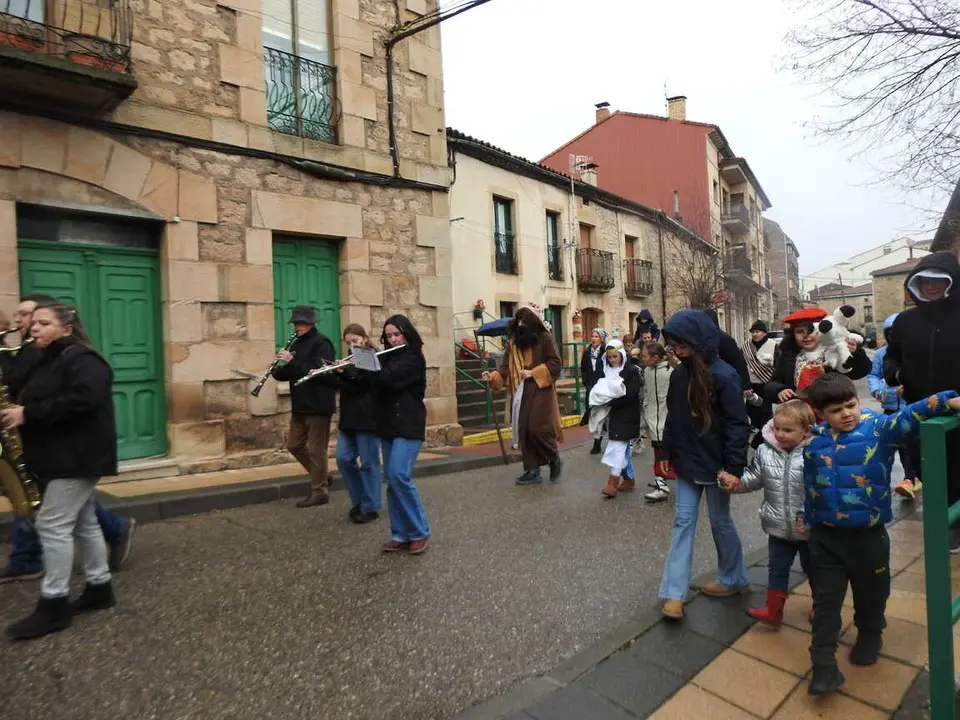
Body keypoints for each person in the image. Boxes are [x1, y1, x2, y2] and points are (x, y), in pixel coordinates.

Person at [801, 373, 960, 695]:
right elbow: (805, 480)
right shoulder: (814, 440)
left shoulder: (877, 430)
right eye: (836, 410)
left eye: (850, 405)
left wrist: (945, 400)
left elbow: (909, 414)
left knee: (871, 594)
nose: (846, 413)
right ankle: (823, 665)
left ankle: (870, 634)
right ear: (820, 413)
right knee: (826, 603)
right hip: (824, 538)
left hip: (867, 537)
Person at [3, 304, 120, 640]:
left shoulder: (83, 359)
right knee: (84, 522)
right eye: (32, 323)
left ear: (66, 328)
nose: (33, 328)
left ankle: (53, 603)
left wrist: (29, 414)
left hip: (78, 456)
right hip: (60, 456)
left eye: (43, 323)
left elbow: (85, 399)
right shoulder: (45, 360)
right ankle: (99, 587)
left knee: (52, 524)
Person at [657, 310, 751, 620]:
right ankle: (674, 593)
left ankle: (734, 577)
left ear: (696, 339)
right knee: (683, 522)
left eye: (679, 341)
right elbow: (674, 416)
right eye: (671, 342)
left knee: (719, 521)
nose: (674, 347)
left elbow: (738, 424)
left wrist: (734, 468)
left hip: (716, 464)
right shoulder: (679, 374)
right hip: (687, 461)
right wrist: (666, 452)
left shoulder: (724, 376)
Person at [885, 251, 960, 550]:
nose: (931, 287)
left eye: (938, 281)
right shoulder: (906, 320)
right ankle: (946, 520)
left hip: (957, 411)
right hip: (920, 411)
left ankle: (955, 527)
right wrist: (897, 374)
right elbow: (892, 356)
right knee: (929, 469)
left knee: (957, 468)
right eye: (924, 281)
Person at [720, 400, 817, 627]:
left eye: (788, 430)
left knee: (815, 569)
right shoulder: (765, 451)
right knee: (777, 568)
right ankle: (773, 610)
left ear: (806, 430)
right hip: (777, 525)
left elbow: (822, 488)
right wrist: (736, 483)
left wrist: (813, 515)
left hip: (809, 528)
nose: (781, 434)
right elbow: (754, 477)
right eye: (777, 428)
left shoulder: (815, 453)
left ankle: (821, 605)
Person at [482, 307, 564, 485]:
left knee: (537, 427)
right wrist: (493, 376)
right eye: (518, 321)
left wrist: (533, 372)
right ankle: (532, 470)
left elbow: (555, 364)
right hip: (520, 390)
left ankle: (554, 457)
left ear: (532, 323)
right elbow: (505, 367)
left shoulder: (545, 338)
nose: (520, 325)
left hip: (541, 389)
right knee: (524, 429)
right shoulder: (513, 343)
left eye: (524, 321)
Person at [373, 315, 431, 554]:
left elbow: (389, 380)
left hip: (408, 425)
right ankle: (400, 533)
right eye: (389, 336)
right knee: (392, 482)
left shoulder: (413, 359)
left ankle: (419, 531)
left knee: (399, 476)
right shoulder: (385, 358)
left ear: (407, 334)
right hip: (388, 425)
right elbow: (366, 386)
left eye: (397, 334)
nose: (393, 339)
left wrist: (366, 363)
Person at [272, 305, 337, 508]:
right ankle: (322, 476)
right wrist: (276, 371)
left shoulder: (322, 343)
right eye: (295, 323)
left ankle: (320, 492)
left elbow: (315, 372)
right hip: (300, 403)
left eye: (300, 323)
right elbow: (293, 372)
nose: (297, 327)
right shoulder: (297, 343)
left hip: (318, 404)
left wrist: (292, 359)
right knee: (294, 445)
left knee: (317, 449)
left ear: (310, 324)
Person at [763, 307, 871, 408]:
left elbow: (860, 372)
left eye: (810, 331)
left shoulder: (835, 351)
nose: (805, 336)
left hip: (832, 410)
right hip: (800, 414)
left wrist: (856, 353)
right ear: (793, 335)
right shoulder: (788, 355)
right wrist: (779, 390)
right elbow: (772, 384)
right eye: (800, 332)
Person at [333, 324, 382, 524]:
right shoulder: (350, 359)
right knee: (343, 459)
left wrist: (346, 372)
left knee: (369, 464)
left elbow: (365, 383)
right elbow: (347, 387)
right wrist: (334, 373)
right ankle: (359, 499)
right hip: (349, 419)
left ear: (364, 338)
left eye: (355, 340)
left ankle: (370, 507)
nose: (352, 344)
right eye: (348, 342)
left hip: (368, 418)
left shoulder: (373, 357)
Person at [869, 313, 920, 499]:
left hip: (912, 406)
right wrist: (884, 392)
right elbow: (873, 375)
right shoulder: (881, 354)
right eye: (890, 334)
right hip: (890, 407)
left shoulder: (916, 351)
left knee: (909, 444)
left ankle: (910, 478)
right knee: (893, 444)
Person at [587, 340, 641, 498]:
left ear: (622, 355)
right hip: (610, 414)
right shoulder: (603, 371)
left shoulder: (631, 371)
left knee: (616, 446)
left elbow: (632, 394)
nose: (612, 360)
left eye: (615, 356)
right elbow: (595, 387)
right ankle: (629, 479)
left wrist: (612, 401)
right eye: (609, 357)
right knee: (622, 448)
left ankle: (612, 483)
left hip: (627, 414)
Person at [642, 341, 674, 502]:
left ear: (655, 357)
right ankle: (660, 482)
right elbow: (647, 393)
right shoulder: (647, 371)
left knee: (669, 453)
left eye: (645, 356)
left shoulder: (671, 371)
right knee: (658, 451)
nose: (643, 359)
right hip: (653, 418)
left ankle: (664, 482)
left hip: (668, 419)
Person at [740, 320, 778, 447]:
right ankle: (754, 426)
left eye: (757, 332)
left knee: (765, 410)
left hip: (767, 383)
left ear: (765, 333)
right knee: (750, 409)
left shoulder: (772, 345)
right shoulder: (746, 346)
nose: (754, 334)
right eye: (753, 332)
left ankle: (764, 434)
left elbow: (779, 365)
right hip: (751, 383)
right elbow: (741, 364)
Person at [702, 309, 751, 393]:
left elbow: (738, 362)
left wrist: (746, 386)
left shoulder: (725, 340)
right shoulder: (700, 339)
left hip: (727, 383)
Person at [579, 328, 607, 455]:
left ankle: (601, 442)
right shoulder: (586, 353)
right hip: (591, 387)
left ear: (601, 339)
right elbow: (583, 368)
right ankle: (598, 442)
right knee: (595, 415)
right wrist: (586, 381)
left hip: (603, 387)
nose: (594, 339)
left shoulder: (606, 351)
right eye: (592, 336)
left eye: (596, 336)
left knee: (603, 415)